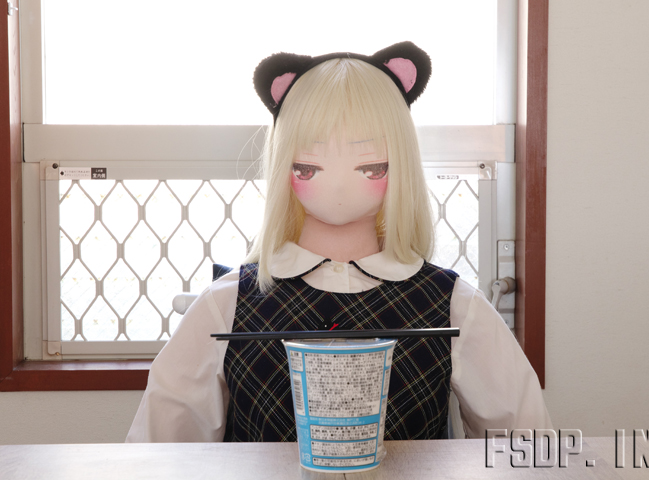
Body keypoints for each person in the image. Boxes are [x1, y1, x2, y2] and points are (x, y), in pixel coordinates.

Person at [126, 42, 551, 443]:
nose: (340, 187)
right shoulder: (225, 304)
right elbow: (158, 452)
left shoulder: (456, 305)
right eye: (309, 168)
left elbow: (527, 446)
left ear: (400, 163)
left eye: (370, 167)